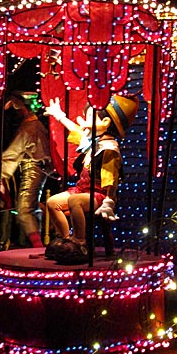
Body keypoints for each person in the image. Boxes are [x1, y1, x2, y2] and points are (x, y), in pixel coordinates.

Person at [43, 94, 138, 264]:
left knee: (75, 201)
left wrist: (109, 200)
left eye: (89, 117)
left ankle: (80, 242)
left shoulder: (109, 149)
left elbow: (111, 178)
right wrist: (60, 116)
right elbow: (75, 130)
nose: (83, 121)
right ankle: (66, 239)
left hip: (98, 195)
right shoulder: (92, 142)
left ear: (106, 123)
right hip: (81, 190)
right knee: (52, 202)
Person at [0, 93, 52, 249]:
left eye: (17, 109)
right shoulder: (34, 124)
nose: (16, 113)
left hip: (33, 166)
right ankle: (37, 244)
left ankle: (38, 245)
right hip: (37, 167)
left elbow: (13, 153)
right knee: (31, 208)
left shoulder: (29, 127)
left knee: (24, 209)